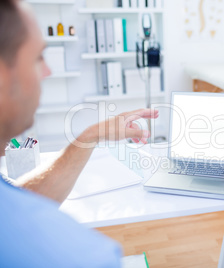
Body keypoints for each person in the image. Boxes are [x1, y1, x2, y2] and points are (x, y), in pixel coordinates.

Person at [0, 0, 158, 266]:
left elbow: (20, 205)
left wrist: (90, 136)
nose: (47, 72)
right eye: (38, 57)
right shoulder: (92, 255)